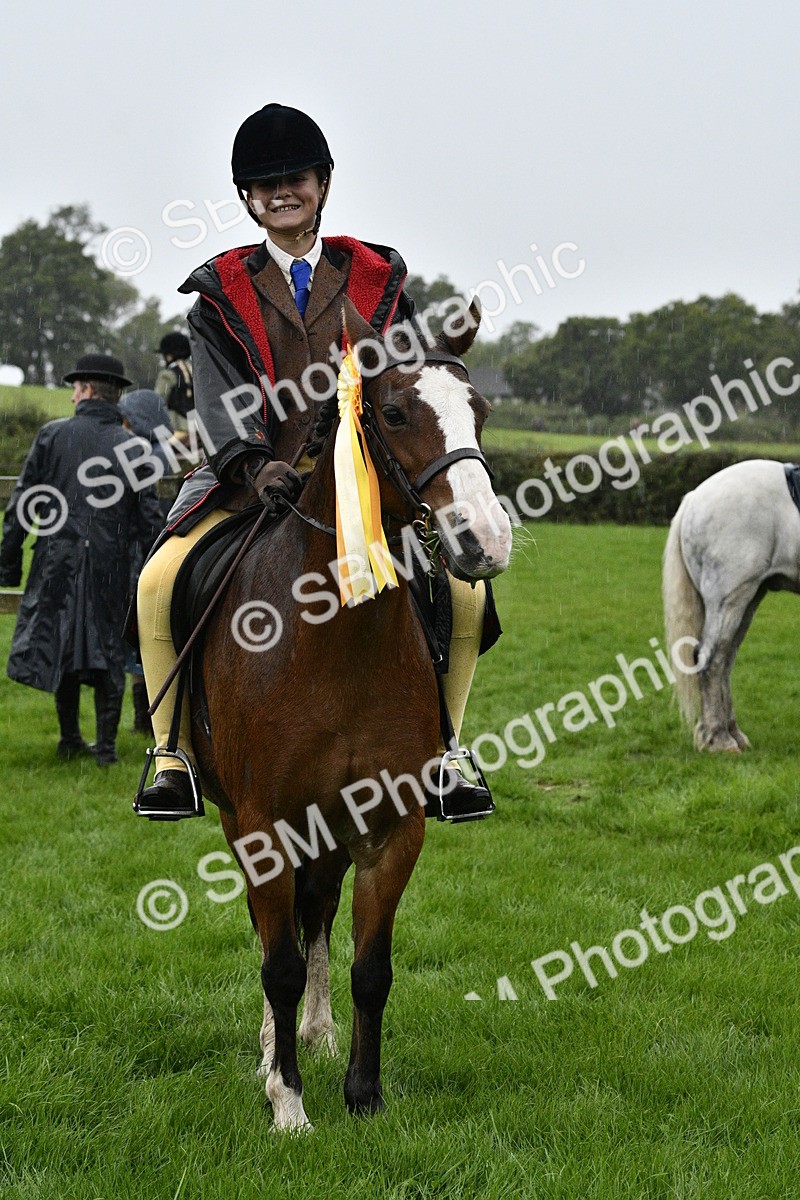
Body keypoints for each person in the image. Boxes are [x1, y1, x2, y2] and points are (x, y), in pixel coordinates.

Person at [136, 103, 494, 817]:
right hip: (249, 479)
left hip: (363, 481)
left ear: (323, 183)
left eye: (293, 178)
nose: (280, 193)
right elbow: (216, 393)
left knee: (464, 590)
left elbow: (408, 374)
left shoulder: (377, 279)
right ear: (248, 199)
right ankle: (170, 753)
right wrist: (250, 461)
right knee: (157, 579)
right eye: (263, 185)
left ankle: (450, 748)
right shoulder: (217, 293)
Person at [0, 355, 164, 765]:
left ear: (88, 390)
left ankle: (70, 738)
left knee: (61, 644)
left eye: (75, 387)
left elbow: (22, 506)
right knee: (108, 649)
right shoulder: (135, 448)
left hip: (56, 559)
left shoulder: (52, 436)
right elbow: (150, 521)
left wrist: (9, 563)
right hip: (113, 563)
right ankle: (104, 748)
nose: (72, 394)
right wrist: (154, 572)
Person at [117, 388, 174, 734]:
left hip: (144, 552)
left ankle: (144, 718)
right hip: (166, 549)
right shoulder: (170, 452)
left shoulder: (139, 455)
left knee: (140, 639)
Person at [154, 332, 193, 441]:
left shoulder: (167, 375)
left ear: (169, 356)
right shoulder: (194, 371)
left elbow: (158, 401)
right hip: (198, 426)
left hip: (176, 428)